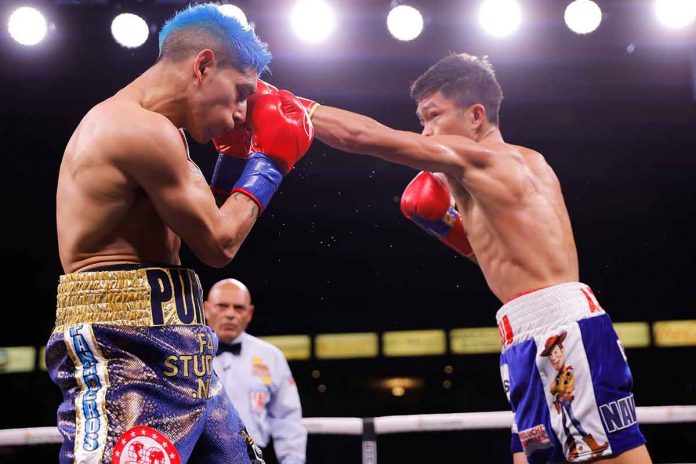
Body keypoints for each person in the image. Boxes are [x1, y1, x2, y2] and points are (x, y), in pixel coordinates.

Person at [278, 54, 651, 463]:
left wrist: (292, 105)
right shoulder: (518, 168)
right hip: (525, 333)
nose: (426, 132)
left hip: (563, 334)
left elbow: (366, 137)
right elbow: (517, 261)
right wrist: (458, 234)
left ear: (476, 116)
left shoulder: (487, 158)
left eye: (433, 116)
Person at [47, 4, 313, 464]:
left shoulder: (164, 133)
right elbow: (218, 243)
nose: (239, 114)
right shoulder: (135, 129)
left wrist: (233, 162)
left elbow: (192, 225)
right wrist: (270, 162)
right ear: (203, 65)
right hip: (123, 347)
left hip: (184, 343)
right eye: (239, 92)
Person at [205, 279, 307, 464]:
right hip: (199, 455)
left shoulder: (271, 356)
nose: (230, 314)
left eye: (238, 308)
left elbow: (287, 419)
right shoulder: (187, 353)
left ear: (249, 313)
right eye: (222, 306)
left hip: (253, 457)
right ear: (206, 308)